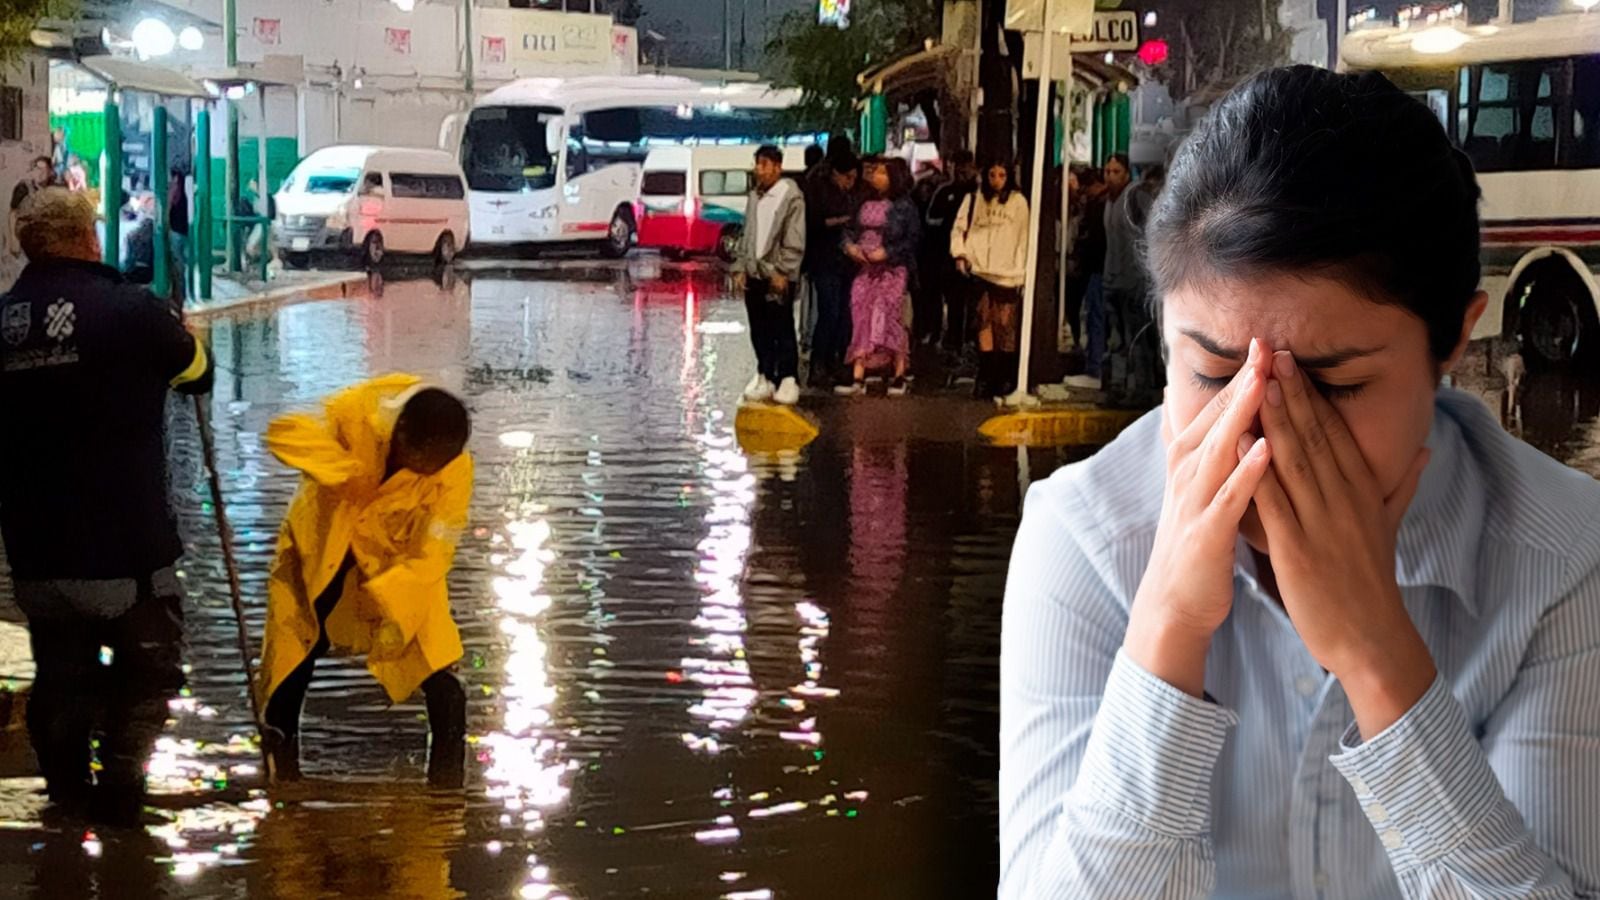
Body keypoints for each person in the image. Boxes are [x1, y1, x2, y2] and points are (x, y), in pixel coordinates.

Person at [1000, 65, 1600, 897]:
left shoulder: (1564, 557)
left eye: (1337, 386)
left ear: (1453, 340)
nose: (1269, 435)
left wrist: (1377, 655)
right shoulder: (1086, 539)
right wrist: (1168, 630)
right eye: (1213, 374)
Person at [0, 188, 213, 826]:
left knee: (60, 675)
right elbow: (196, 371)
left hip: (37, 556)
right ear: (89, 239)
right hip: (128, 547)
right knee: (149, 675)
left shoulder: (3, 322)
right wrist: (186, 338)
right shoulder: (129, 310)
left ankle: (66, 805)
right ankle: (121, 802)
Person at [257, 375, 474, 788]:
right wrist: (342, 471)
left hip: (397, 568)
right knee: (292, 655)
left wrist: (390, 594)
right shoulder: (356, 411)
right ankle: (280, 772)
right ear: (403, 434)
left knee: (438, 664)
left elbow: (437, 549)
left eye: (439, 463)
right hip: (321, 552)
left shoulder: (454, 467)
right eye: (423, 459)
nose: (431, 470)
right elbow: (284, 434)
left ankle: (447, 790)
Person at [836, 157, 920, 397]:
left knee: (891, 316)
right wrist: (850, 248)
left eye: (882, 173)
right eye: (875, 173)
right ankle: (858, 375)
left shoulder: (904, 206)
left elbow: (912, 240)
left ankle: (899, 373)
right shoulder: (861, 201)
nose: (876, 177)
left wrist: (887, 253)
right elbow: (848, 230)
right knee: (861, 313)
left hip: (892, 271)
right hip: (865, 268)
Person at [733, 144, 806, 406]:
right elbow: (747, 232)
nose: (759, 170)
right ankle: (765, 373)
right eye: (758, 164)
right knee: (759, 327)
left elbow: (794, 237)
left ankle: (787, 376)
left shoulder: (791, 197)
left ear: (777, 167)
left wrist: (784, 270)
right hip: (755, 273)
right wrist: (741, 266)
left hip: (777, 274)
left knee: (781, 325)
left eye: (764, 165)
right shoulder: (754, 196)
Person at [950, 161, 1029, 399]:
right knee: (983, 321)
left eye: (1002, 175)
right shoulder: (974, 200)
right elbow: (958, 228)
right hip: (980, 270)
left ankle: (1004, 374)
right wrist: (960, 254)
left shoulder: (1018, 202)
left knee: (1005, 324)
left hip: (1008, 273)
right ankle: (986, 374)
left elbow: (1023, 236)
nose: (996, 180)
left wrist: (1022, 270)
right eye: (992, 174)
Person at [1103, 162, 1166, 396]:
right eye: (1108, 172)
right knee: (1117, 339)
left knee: (1138, 338)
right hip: (1112, 280)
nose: (1110, 177)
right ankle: (1120, 386)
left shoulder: (1135, 198)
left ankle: (1142, 387)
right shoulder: (1109, 201)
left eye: (1116, 172)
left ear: (1126, 174)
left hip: (1134, 281)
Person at [804, 152, 860, 388]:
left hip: (845, 263)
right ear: (837, 173)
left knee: (842, 314)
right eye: (848, 177)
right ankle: (819, 363)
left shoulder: (847, 194)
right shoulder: (820, 191)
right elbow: (814, 222)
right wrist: (841, 221)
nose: (851, 182)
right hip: (825, 259)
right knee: (829, 313)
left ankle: (834, 360)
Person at [920, 149, 978, 351]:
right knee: (951, 298)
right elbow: (930, 220)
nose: (960, 171)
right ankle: (949, 338)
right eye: (956, 165)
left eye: (965, 166)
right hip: (945, 255)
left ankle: (968, 338)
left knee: (970, 300)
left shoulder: (978, 193)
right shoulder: (944, 192)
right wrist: (948, 224)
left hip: (973, 255)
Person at [10, 156, 55, 254]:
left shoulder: (53, 190)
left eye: (43, 169)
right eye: (37, 168)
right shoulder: (24, 187)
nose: (39, 173)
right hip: (26, 238)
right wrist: (14, 241)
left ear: (50, 172)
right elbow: (13, 213)